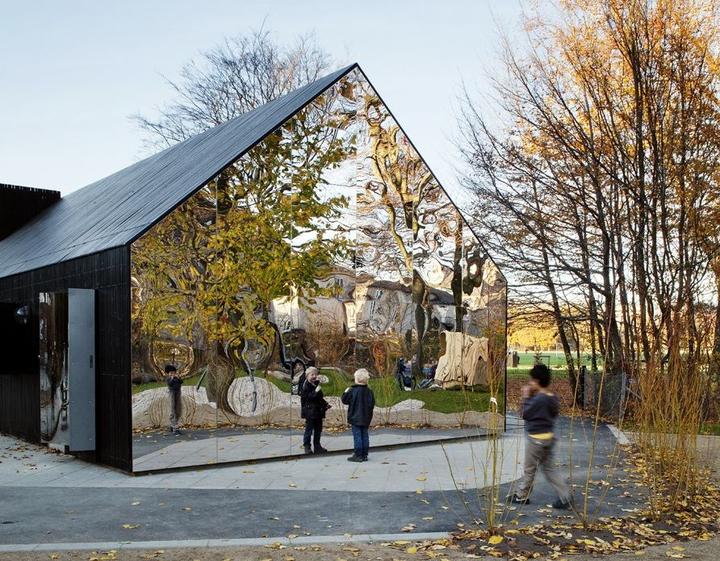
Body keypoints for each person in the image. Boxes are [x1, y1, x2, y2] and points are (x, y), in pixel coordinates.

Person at [508, 363, 571, 509]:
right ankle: (565, 496)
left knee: (529, 469)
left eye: (531, 380)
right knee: (549, 469)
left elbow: (524, 414)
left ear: (537, 381)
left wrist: (526, 397)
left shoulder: (538, 399)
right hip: (549, 438)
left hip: (536, 440)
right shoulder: (552, 397)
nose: (530, 383)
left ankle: (522, 496)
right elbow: (554, 413)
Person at [341, 368, 376, 462]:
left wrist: (345, 392)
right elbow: (372, 404)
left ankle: (358, 455)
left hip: (355, 417)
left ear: (356, 379)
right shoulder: (369, 391)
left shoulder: (352, 390)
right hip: (366, 417)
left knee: (357, 436)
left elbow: (345, 400)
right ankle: (364, 454)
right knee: (365, 435)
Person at [300, 367, 329, 454]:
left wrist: (325, 404)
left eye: (315, 374)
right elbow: (308, 398)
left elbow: (319, 398)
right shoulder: (305, 386)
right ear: (307, 376)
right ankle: (307, 446)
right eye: (312, 374)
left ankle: (317, 446)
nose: (314, 376)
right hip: (310, 412)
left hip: (317, 411)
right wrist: (316, 391)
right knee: (309, 429)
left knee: (318, 430)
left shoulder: (315, 384)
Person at [165, 364, 183, 435]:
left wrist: (178, 378)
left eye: (174, 372)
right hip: (172, 393)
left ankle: (173, 425)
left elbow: (181, 382)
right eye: (171, 373)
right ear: (168, 373)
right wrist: (172, 378)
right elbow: (170, 384)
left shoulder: (177, 378)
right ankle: (175, 428)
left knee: (178, 410)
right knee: (172, 410)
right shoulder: (168, 379)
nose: (173, 374)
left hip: (178, 393)